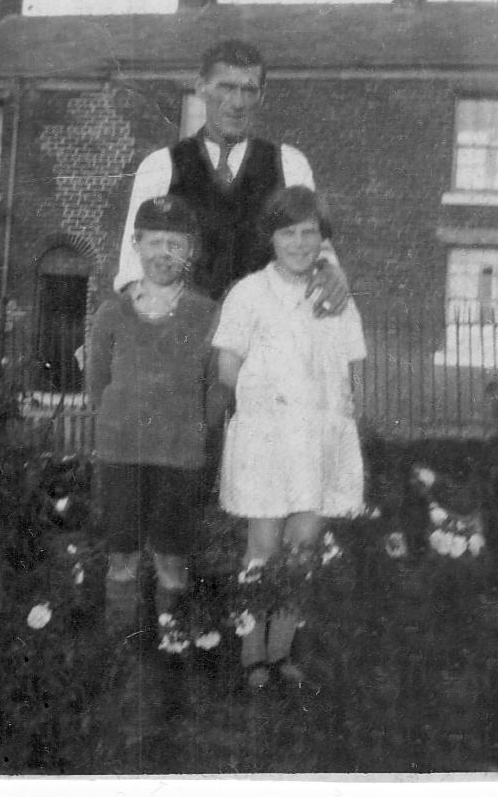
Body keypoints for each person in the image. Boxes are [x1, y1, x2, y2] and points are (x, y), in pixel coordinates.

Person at [211, 186, 369, 690]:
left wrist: (340, 420)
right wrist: (272, 394)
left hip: (318, 438)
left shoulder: (336, 296)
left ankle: (282, 652)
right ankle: (251, 653)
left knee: (304, 548)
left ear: (323, 239)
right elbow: (228, 368)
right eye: (288, 233)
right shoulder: (249, 293)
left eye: (309, 233)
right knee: (263, 546)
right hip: (267, 437)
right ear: (271, 238)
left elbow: (350, 369)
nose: (299, 244)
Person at [114, 38, 348, 314]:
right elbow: (133, 266)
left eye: (249, 90)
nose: (237, 102)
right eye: (225, 87)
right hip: (184, 330)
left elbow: (315, 247)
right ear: (201, 87)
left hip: (264, 332)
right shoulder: (161, 165)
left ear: (261, 95)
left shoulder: (290, 164)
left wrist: (331, 270)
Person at [87, 196, 217, 638]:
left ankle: (171, 641)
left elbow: (218, 387)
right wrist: (116, 423)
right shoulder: (111, 313)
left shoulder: (206, 314)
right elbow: (96, 384)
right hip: (122, 452)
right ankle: (119, 643)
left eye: (175, 244)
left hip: (179, 457)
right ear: (137, 245)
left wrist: (197, 429)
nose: (165, 253)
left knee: (171, 557)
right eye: (155, 242)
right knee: (121, 554)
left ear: (190, 251)